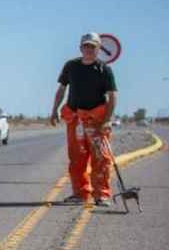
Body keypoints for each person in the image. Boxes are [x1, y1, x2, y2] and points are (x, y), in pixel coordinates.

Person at [49, 32, 118, 207]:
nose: (88, 49)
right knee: (77, 158)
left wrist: (107, 120)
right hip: (75, 119)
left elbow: (112, 96)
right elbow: (62, 89)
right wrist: (54, 110)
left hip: (97, 121)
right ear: (81, 48)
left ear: (98, 49)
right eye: (86, 46)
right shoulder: (71, 66)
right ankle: (80, 194)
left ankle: (101, 194)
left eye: (92, 46)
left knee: (100, 158)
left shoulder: (104, 69)